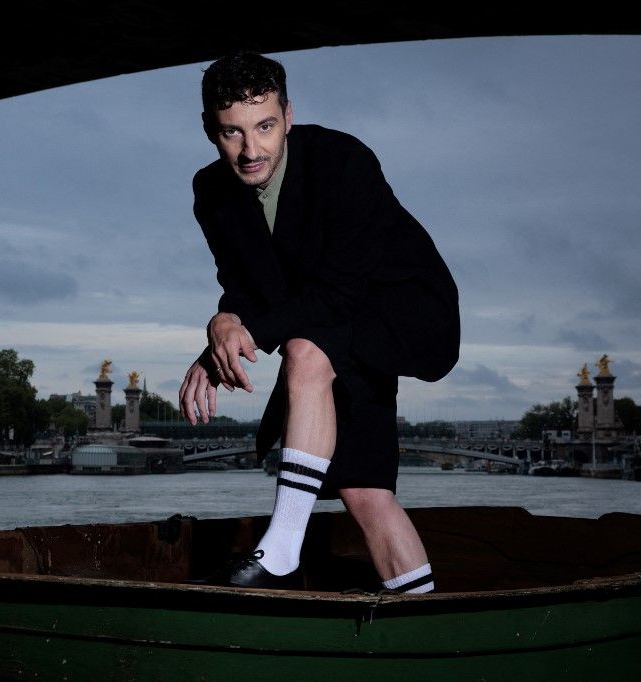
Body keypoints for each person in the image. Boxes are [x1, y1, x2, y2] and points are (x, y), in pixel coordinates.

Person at [179, 51, 460, 593]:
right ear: (209, 130)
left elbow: (337, 291)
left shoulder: (342, 160)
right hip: (334, 318)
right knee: (364, 488)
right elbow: (244, 285)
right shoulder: (210, 192)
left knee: (307, 350)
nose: (251, 149)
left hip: (407, 308)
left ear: (288, 114)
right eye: (231, 133)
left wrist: (246, 331)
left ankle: (281, 547)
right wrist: (219, 331)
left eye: (264, 126)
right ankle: (426, 618)